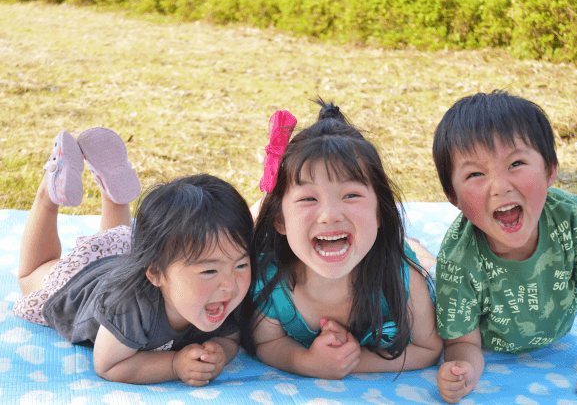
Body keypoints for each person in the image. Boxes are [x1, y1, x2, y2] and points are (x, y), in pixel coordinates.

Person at [432, 90, 577, 402]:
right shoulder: (457, 260)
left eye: (516, 163)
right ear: (453, 198)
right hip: (491, 344)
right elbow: (465, 343)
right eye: (475, 173)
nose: (500, 186)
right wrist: (462, 373)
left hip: (559, 331)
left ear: (550, 170)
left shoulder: (573, 220)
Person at [13, 128, 254, 386]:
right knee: (31, 275)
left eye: (241, 264)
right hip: (82, 281)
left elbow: (229, 337)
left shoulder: (223, 293)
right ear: (156, 273)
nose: (230, 284)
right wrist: (174, 365)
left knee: (121, 237)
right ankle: (48, 195)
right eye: (209, 271)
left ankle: (111, 188)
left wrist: (219, 351)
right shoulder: (130, 307)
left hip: (125, 253)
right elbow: (108, 365)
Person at [248, 100, 442, 379]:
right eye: (308, 198)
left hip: (383, 249)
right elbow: (267, 342)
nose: (330, 215)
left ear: (379, 213)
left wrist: (352, 361)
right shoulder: (271, 284)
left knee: (418, 255)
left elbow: (428, 348)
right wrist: (305, 361)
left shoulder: (403, 278)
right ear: (280, 221)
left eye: (351, 195)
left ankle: (413, 245)